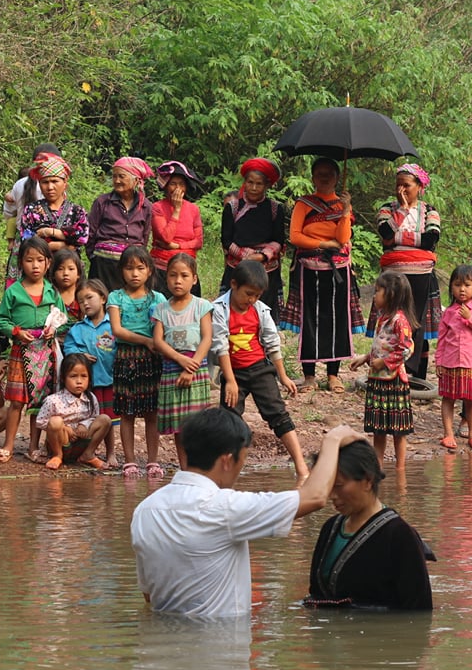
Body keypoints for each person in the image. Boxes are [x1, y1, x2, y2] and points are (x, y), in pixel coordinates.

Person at [129, 408, 351, 618]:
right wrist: (333, 439)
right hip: (220, 648)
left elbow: (149, 596)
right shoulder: (224, 508)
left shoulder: (145, 510)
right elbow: (315, 496)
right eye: (242, 460)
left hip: (161, 652)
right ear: (227, 460)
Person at [303, 440, 433, 610]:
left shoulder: (399, 535)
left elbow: (419, 613)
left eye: (339, 485)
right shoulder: (330, 527)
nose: (332, 495)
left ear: (368, 480)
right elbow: (316, 593)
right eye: (328, 486)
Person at [213, 260, 312, 481]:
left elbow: (271, 342)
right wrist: (229, 380)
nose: (251, 300)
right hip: (233, 372)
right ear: (233, 284)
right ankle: (226, 472)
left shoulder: (259, 310)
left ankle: (301, 466)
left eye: (256, 296)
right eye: (248, 294)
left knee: (278, 414)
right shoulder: (220, 309)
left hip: (259, 369)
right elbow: (220, 345)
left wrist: (283, 375)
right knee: (228, 420)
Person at [281, 157, 364, 393]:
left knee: (336, 320)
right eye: (319, 173)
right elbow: (296, 236)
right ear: (313, 177)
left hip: (338, 269)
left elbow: (343, 238)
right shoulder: (304, 203)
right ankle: (309, 376)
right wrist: (323, 243)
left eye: (329, 173)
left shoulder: (341, 205)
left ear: (337, 177)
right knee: (310, 320)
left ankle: (333, 374)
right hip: (309, 267)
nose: (324, 177)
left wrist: (345, 211)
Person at [0, 236, 66, 462]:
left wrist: (53, 330)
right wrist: (15, 332)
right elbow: (2, 319)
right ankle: (8, 445)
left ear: (48, 263)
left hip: (46, 351)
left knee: (41, 401)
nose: (35, 266)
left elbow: (62, 317)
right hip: (21, 349)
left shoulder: (52, 292)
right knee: (16, 401)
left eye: (40, 260)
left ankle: (33, 447)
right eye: (29, 260)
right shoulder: (14, 291)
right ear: (20, 263)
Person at [371, 163, 441, 379]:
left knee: (413, 320)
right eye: (398, 185)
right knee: (390, 317)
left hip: (420, 272)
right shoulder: (387, 209)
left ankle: (411, 370)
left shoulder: (429, 210)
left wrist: (397, 238)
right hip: (392, 272)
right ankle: (385, 362)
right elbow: (384, 233)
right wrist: (401, 211)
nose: (402, 190)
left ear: (419, 187)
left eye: (407, 185)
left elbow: (431, 240)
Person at [108, 244, 168, 477]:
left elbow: (164, 326)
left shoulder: (158, 298)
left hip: (152, 359)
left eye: (140, 268)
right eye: (129, 268)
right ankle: (130, 461)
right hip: (125, 357)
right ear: (121, 270)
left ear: (150, 271)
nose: (134, 273)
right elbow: (117, 330)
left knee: (152, 411)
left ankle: (153, 461)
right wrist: (145, 341)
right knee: (127, 412)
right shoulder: (116, 297)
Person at [152, 252, 214, 469]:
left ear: (194, 279)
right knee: (179, 426)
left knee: (198, 424)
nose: (178, 281)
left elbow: (207, 338)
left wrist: (191, 366)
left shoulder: (202, 306)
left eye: (184, 276)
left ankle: (201, 467)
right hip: (171, 368)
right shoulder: (161, 309)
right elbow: (158, 341)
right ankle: (185, 468)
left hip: (195, 369)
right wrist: (179, 359)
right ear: (166, 278)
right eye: (172, 276)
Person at [350, 270, 414, 473]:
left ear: (391, 295)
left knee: (398, 430)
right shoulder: (383, 318)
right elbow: (382, 346)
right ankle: (378, 469)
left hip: (393, 381)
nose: (374, 295)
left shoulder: (400, 321)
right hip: (378, 380)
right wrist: (366, 359)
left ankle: (401, 470)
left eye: (378, 291)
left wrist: (384, 363)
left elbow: (406, 349)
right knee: (379, 429)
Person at [435, 265, 472, 452]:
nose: (462, 289)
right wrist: (439, 361)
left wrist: (470, 319)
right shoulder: (448, 312)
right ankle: (448, 434)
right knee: (448, 398)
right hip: (450, 362)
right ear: (451, 287)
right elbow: (442, 340)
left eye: (467, 285)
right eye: (458, 285)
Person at [221, 157, 287, 310]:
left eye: (259, 184)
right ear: (245, 182)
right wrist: (245, 256)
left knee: (264, 311)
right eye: (250, 182)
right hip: (238, 265)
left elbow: (279, 240)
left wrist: (262, 256)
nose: (254, 188)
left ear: (267, 185)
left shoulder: (275, 209)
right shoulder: (232, 207)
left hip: (267, 268)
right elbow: (226, 239)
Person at [64, 278, 117, 467]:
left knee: (109, 419)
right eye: (81, 300)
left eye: (89, 297)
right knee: (89, 419)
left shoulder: (113, 326)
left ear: (103, 298)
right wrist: (81, 354)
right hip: (88, 384)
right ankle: (87, 450)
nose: (85, 303)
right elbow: (68, 348)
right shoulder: (78, 329)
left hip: (109, 378)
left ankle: (111, 453)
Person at [88, 156, 153, 294]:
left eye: (122, 176)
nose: (117, 181)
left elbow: (145, 236)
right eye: (114, 176)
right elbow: (90, 233)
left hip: (131, 266)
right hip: (103, 265)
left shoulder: (146, 206)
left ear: (136, 180)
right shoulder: (102, 202)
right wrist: (94, 257)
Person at [36, 353, 112, 470]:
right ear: (63, 378)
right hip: (62, 440)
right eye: (73, 376)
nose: (79, 381)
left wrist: (84, 425)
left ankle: (88, 455)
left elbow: (94, 417)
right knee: (55, 421)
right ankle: (57, 455)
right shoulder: (53, 400)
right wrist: (65, 428)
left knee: (105, 419)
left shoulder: (91, 398)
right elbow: (41, 421)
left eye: (84, 376)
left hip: (82, 441)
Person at [2, 143, 57, 285]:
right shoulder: (55, 185)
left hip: (23, 243)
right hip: (47, 243)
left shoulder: (19, 184)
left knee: (21, 282)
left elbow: (8, 213)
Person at [18, 153, 89, 261]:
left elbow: (82, 238)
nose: (50, 187)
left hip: (69, 269)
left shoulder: (77, 211)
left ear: (65, 183)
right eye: (45, 182)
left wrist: (49, 232)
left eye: (55, 181)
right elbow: (27, 241)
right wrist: (65, 245)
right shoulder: (31, 210)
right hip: (39, 270)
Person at [151, 161, 204, 296]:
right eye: (173, 184)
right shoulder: (158, 207)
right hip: (162, 270)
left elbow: (198, 242)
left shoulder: (193, 209)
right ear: (166, 186)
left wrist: (176, 246)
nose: (177, 188)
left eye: (181, 184)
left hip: (187, 266)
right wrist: (177, 210)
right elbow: (165, 237)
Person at [51, 247, 84, 328]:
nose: (65, 273)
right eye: (60, 269)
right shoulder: (50, 294)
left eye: (71, 269)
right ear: (53, 274)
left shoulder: (83, 294)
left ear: (78, 274)